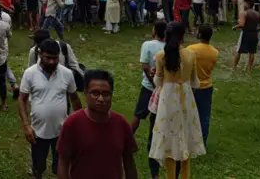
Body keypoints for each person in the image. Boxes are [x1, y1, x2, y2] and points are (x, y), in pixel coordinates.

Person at [18, 39, 82, 179]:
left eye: (55, 58)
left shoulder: (67, 73)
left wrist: (78, 124)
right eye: (48, 58)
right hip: (37, 132)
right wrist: (26, 125)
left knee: (61, 166)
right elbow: (22, 100)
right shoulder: (30, 73)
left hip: (62, 131)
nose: (52, 62)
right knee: (38, 165)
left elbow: (75, 99)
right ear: (40, 55)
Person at [56, 70, 138, 179]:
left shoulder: (121, 124)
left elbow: (129, 163)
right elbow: (63, 162)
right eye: (95, 93)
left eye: (106, 94)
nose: (101, 99)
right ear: (85, 93)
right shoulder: (72, 123)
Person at [149, 21, 206, 179]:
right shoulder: (190, 54)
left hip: (168, 98)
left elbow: (158, 82)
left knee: (168, 138)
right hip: (186, 96)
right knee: (185, 135)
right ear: (182, 36)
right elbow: (196, 82)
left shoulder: (161, 55)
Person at [131, 20, 167, 179]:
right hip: (163, 89)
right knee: (155, 119)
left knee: (138, 115)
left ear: (155, 31)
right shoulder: (169, 48)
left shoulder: (147, 45)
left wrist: (152, 82)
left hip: (149, 86)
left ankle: (127, 138)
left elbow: (145, 66)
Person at [187, 23, 219, 146]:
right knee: (204, 116)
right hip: (206, 86)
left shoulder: (191, 49)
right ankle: (201, 143)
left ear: (199, 34)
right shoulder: (214, 52)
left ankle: (188, 140)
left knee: (189, 114)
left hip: (191, 86)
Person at [233, 0, 260, 73]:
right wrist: (258, 29)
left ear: (248, 4)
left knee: (239, 51)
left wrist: (235, 27)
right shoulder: (257, 13)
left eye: (244, 3)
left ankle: (234, 67)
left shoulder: (244, 13)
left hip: (245, 33)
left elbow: (242, 24)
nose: (243, 5)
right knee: (252, 52)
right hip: (254, 34)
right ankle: (249, 69)